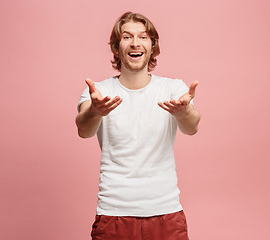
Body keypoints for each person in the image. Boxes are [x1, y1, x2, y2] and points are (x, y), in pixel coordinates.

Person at [76, 11, 200, 240]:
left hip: (166, 212)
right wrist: (95, 110)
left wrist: (184, 112)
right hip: (114, 213)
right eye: (127, 37)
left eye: (143, 37)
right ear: (116, 47)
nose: (135, 43)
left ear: (153, 46)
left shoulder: (172, 88)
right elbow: (83, 129)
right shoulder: (99, 92)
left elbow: (192, 126)